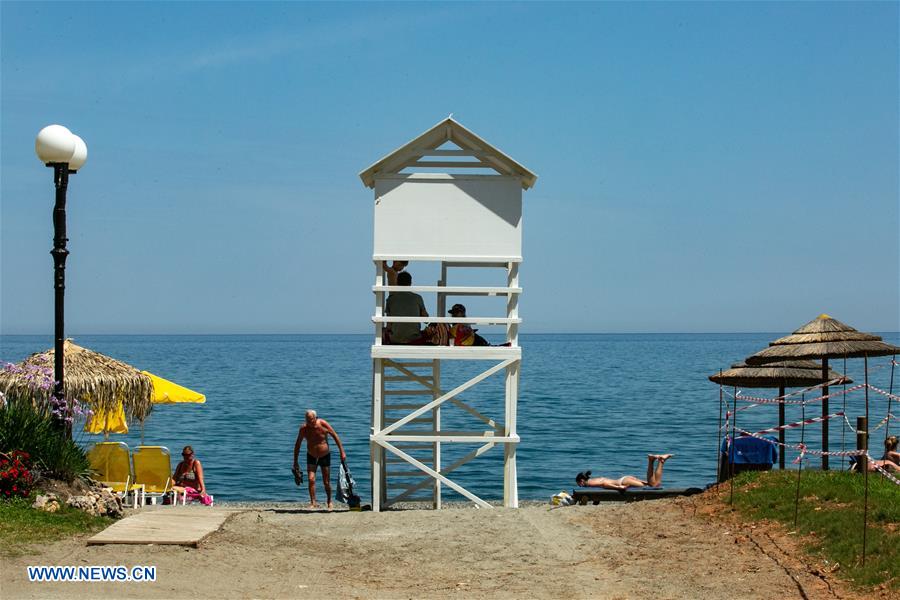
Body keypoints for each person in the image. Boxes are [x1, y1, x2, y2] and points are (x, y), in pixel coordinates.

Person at [293, 409, 346, 509]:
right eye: (307, 420)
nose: (309, 422)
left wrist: (342, 451)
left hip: (324, 455)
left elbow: (335, 436)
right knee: (310, 479)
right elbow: (297, 445)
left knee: (326, 482)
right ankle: (313, 502)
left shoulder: (323, 424)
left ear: (315, 418)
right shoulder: (303, 429)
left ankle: (329, 501)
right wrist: (295, 461)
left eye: (311, 420)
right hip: (311, 455)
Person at [575, 454, 673, 490]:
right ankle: (658, 461)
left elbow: (604, 484)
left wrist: (618, 487)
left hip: (623, 482)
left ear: (582, 480)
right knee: (653, 484)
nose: (579, 485)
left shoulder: (589, 483)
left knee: (654, 486)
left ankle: (653, 461)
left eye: (579, 483)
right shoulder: (593, 479)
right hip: (625, 479)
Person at [385, 270, 428, 344]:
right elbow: (426, 320)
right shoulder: (417, 298)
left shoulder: (390, 299)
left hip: (395, 339)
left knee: (382, 331)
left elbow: (389, 325)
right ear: (410, 283)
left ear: (397, 283)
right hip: (414, 338)